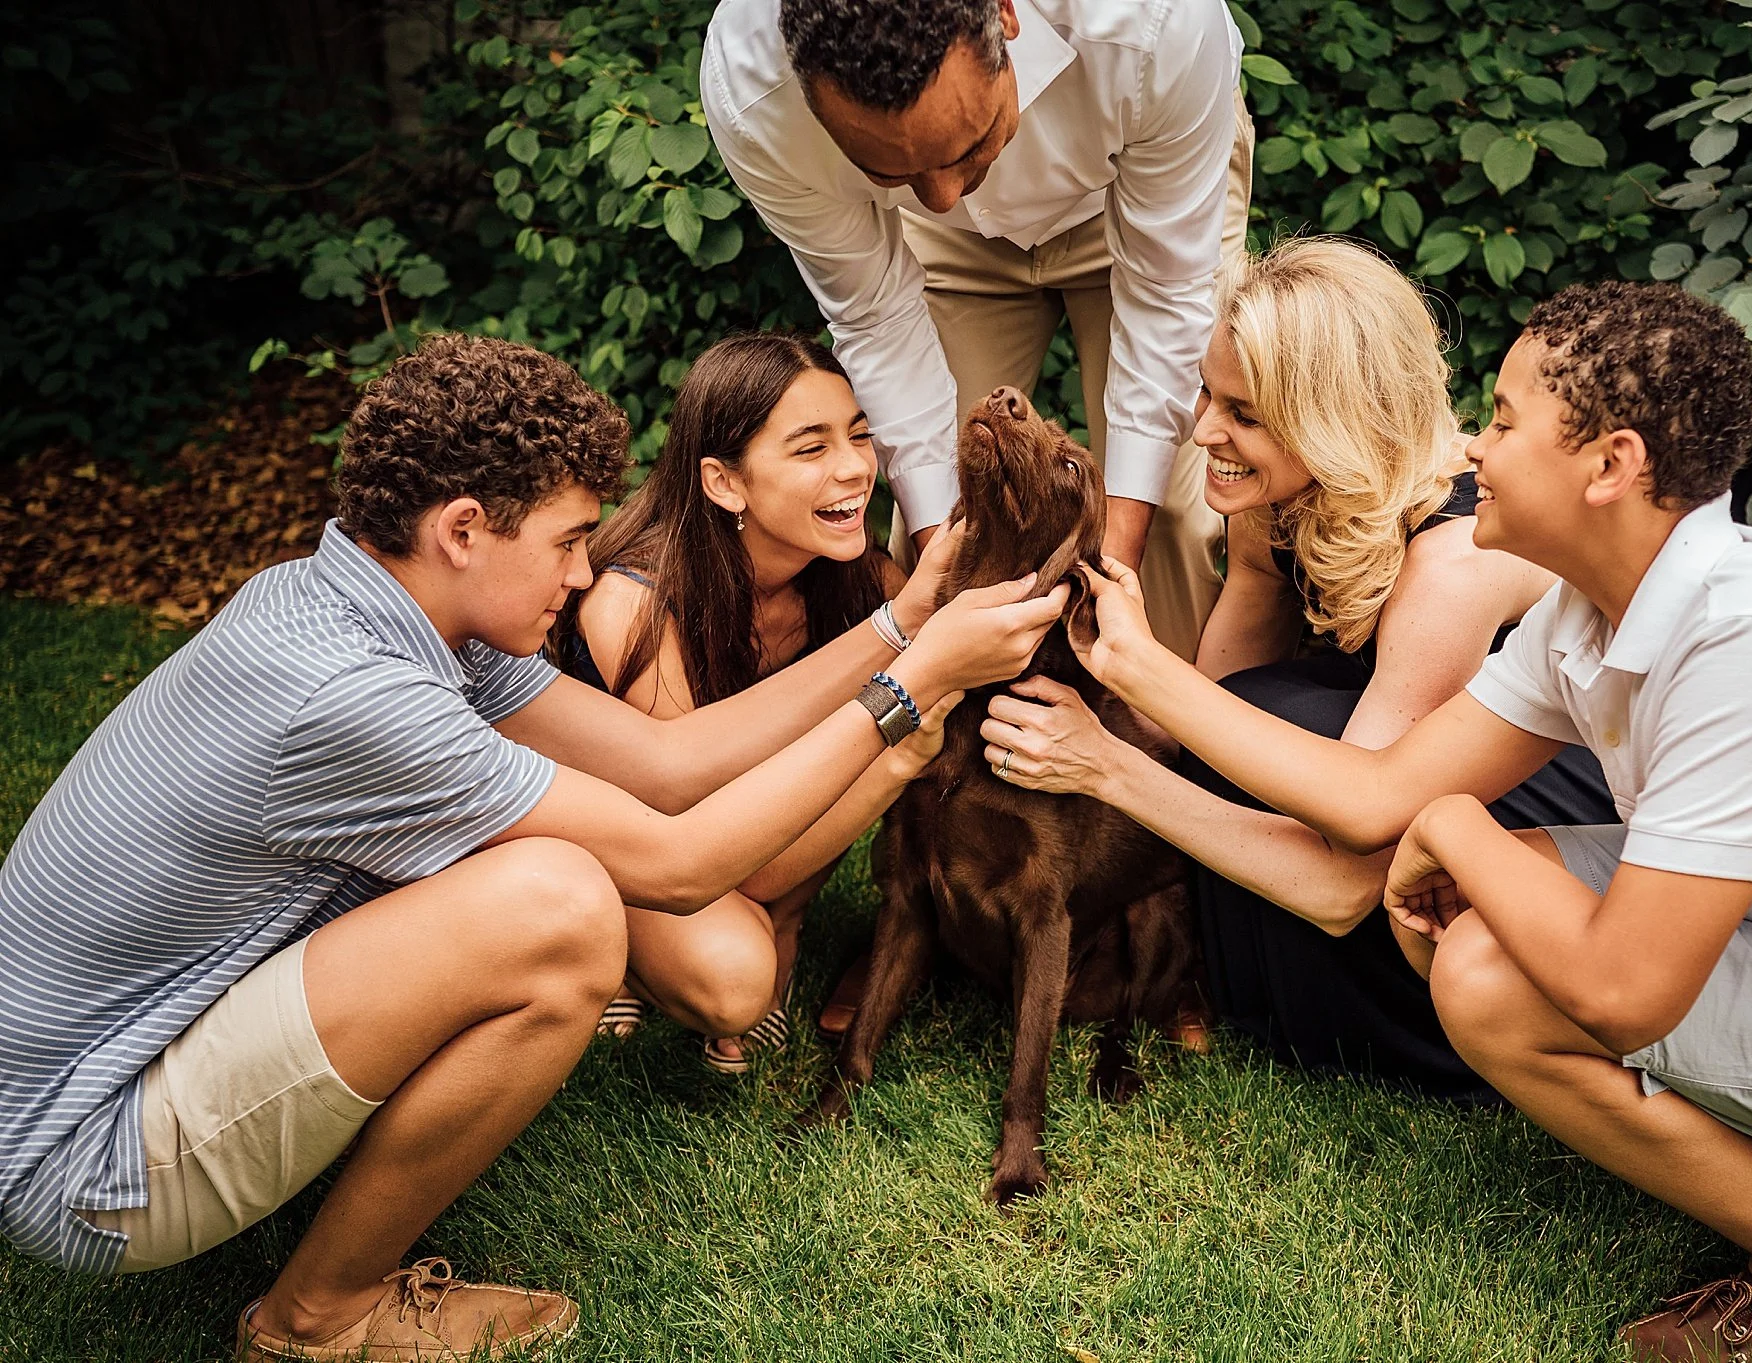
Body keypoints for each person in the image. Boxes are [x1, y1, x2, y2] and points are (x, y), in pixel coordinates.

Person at [994, 281, 1752, 1360]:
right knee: (1485, 931)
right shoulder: (1589, 610)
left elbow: (1618, 989)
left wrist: (1450, 826)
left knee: (1493, 969)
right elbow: (1369, 798)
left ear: (1609, 466)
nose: (1469, 448)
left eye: (1499, 422)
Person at [0, 334, 1067, 1361]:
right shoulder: (350, 694)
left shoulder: (377, 608)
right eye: (564, 542)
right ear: (463, 529)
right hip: (85, 1164)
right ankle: (315, 1317)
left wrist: (902, 624)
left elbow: (669, 763)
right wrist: (915, 688)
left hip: (108, 1068)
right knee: (557, 909)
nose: (580, 571)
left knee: (547, 878)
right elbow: (685, 858)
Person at [978, 236, 1613, 1098]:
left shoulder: (1454, 559)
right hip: (1384, 791)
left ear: (1332, 420)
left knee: (1292, 725)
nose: (1204, 431)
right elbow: (1204, 721)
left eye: (1243, 413)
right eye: (1207, 391)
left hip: (1534, 811)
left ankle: (1401, 1023)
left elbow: (1343, 879)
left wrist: (1106, 763)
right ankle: (1227, 976)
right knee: (1253, 714)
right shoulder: (1274, 498)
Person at [702, 0, 1253, 660]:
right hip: (945, 254)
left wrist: (1112, 571)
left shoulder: (1156, 20)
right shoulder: (754, 95)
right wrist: (951, 586)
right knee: (940, 519)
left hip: (1134, 184)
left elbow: (1166, 295)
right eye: (887, 168)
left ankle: (1180, 751)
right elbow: (877, 319)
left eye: (965, 144)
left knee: (1182, 522)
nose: (939, 196)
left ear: (1005, 16)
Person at [553, 332, 913, 1068]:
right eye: (810, 449)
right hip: (641, 850)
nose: (853, 468)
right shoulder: (636, 604)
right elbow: (726, 854)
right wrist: (902, 750)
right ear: (724, 482)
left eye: (860, 436)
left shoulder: (862, 583)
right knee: (733, 980)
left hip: (734, 856)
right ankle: (624, 948)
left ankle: (778, 925)